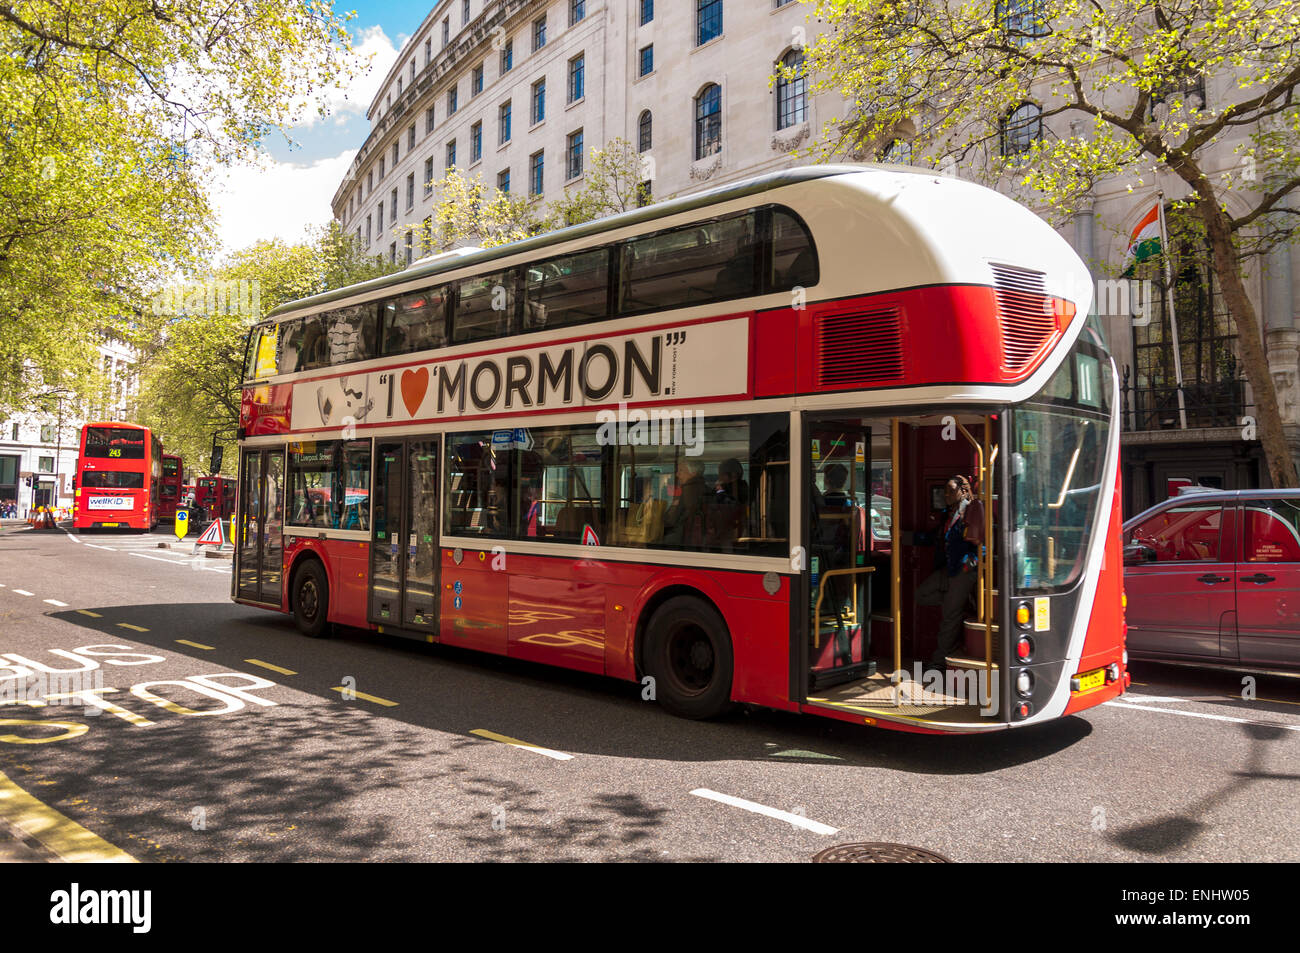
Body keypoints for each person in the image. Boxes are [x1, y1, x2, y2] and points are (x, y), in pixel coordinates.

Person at [913, 475, 984, 671]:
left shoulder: (972, 509)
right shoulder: (948, 513)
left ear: (963, 490)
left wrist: (972, 563)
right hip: (948, 570)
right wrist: (907, 537)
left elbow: (981, 541)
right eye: (945, 491)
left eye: (951, 490)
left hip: (962, 570)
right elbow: (934, 538)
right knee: (921, 594)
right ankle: (957, 605)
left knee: (948, 619)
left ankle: (937, 663)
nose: (946, 495)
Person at [662, 457, 706, 547]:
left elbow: (670, 521)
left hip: (682, 542)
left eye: (681, 470)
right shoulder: (706, 489)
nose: (677, 475)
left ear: (693, 473)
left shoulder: (688, 491)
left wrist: (673, 507)